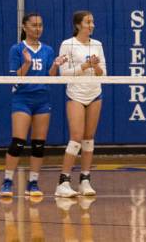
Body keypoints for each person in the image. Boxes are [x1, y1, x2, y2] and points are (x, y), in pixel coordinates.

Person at [0, 13, 64, 199]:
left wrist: (56, 65)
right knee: (18, 142)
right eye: (34, 25)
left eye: (40, 25)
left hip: (42, 99)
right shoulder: (17, 49)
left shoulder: (48, 50)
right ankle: (7, 181)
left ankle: (33, 182)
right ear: (24, 27)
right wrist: (27, 63)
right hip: (22, 99)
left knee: (38, 145)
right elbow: (14, 78)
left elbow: (51, 78)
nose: (38, 28)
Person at [55, 11, 105, 198]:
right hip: (75, 95)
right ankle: (63, 182)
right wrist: (84, 66)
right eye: (88, 22)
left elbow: (103, 74)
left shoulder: (97, 45)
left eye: (92, 21)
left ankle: (85, 180)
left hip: (95, 94)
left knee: (89, 138)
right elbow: (63, 73)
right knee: (76, 137)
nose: (91, 25)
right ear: (78, 25)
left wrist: (95, 66)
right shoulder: (67, 44)